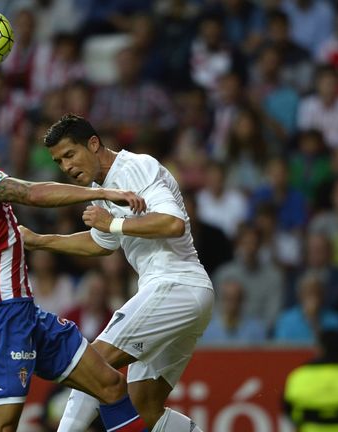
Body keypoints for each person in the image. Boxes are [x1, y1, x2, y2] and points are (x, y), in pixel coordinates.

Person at [0, 92, 148, 432]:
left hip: (24, 312)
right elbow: (31, 193)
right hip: (1, 315)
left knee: (111, 386)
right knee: (0, 427)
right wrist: (102, 192)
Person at [19, 114, 214, 432]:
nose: (66, 167)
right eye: (59, 161)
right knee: (145, 408)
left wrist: (111, 222)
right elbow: (101, 243)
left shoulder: (134, 168)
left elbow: (172, 222)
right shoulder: (104, 188)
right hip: (185, 295)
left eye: (70, 154)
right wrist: (41, 241)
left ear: (93, 144)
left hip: (174, 284)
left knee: (90, 364)